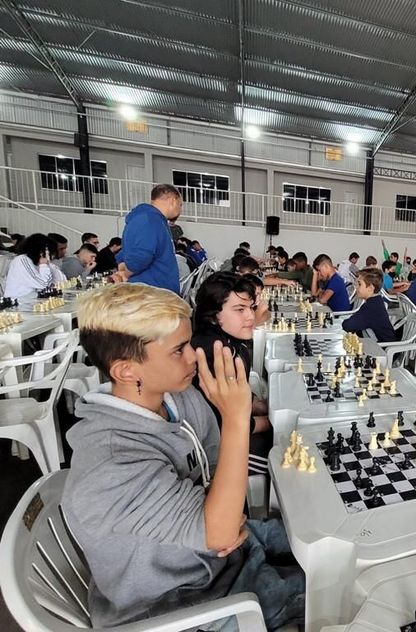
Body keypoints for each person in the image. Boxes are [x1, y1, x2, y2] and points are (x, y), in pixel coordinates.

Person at [63, 283, 304, 629]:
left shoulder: (179, 397)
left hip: (219, 555)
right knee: (335, 590)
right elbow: (219, 532)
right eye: (178, 350)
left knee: (335, 542)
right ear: (126, 371)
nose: (194, 355)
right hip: (180, 601)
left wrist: (223, 516)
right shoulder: (112, 465)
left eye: (189, 343)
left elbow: (219, 473)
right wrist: (236, 416)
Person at [191, 272, 272, 475]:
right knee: (279, 465)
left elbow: (236, 392)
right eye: (239, 309)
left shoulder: (231, 340)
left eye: (251, 308)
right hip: (214, 445)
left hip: (233, 427)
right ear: (213, 316)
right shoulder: (212, 352)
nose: (251, 316)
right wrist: (267, 423)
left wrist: (257, 404)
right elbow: (221, 421)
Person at [115, 184, 181, 293]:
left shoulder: (152, 220)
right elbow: (141, 255)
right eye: (180, 204)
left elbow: (125, 254)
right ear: (173, 200)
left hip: (154, 293)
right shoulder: (149, 220)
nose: (180, 209)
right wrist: (126, 273)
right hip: (152, 296)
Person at [3, 233, 67, 299]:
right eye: (48, 252)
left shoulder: (36, 262)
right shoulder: (22, 260)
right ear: (41, 251)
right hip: (19, 304)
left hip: (31, 301)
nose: (49, 256)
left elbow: (61, 281)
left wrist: (47, 264)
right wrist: (44, 265)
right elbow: (43, 284)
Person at [341, 268, 396, 342]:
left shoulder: (371, 308)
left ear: (370, 288)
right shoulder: (376, 301)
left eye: (359, 284)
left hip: (383, 348)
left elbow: (348, 326)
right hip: (381, 344)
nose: (356, 287)